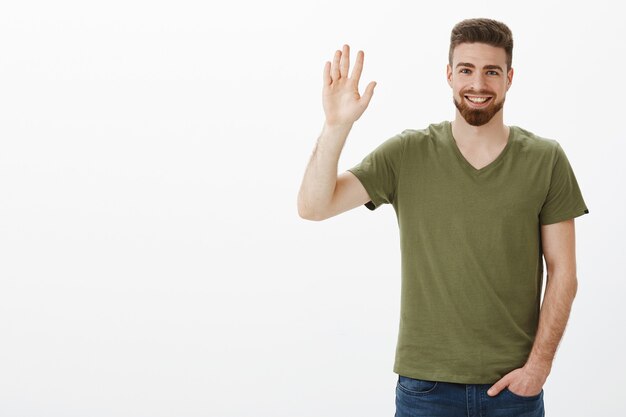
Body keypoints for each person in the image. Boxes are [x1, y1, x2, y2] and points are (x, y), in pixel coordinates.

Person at [297, 17, 589, 417]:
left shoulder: (546, 159)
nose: (478, 84)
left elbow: (564, 273)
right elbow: (314, 207)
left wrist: (537, 369)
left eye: (492, 71)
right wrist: (336, 127)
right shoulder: (407, 153)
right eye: (466, 70)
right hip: (425, 389)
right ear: (449, 75)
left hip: (513, 391)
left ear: (509, 78)